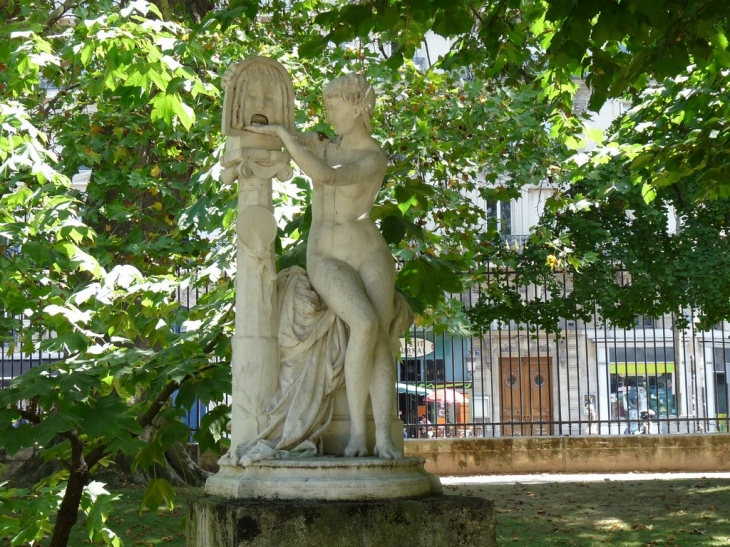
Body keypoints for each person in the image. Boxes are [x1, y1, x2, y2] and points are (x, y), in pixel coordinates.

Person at [246, 73, 401, 459]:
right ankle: (357, 438)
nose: (329, 114)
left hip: (369, 251)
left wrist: (288, 135)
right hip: (326, 254)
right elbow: (308, 153)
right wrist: (287, 134)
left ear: (357, 107)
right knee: (364, 323)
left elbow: (327, 177)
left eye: (334, 106)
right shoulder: (327, 146)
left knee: (379, 341)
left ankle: (382, 437)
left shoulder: (373, 157)